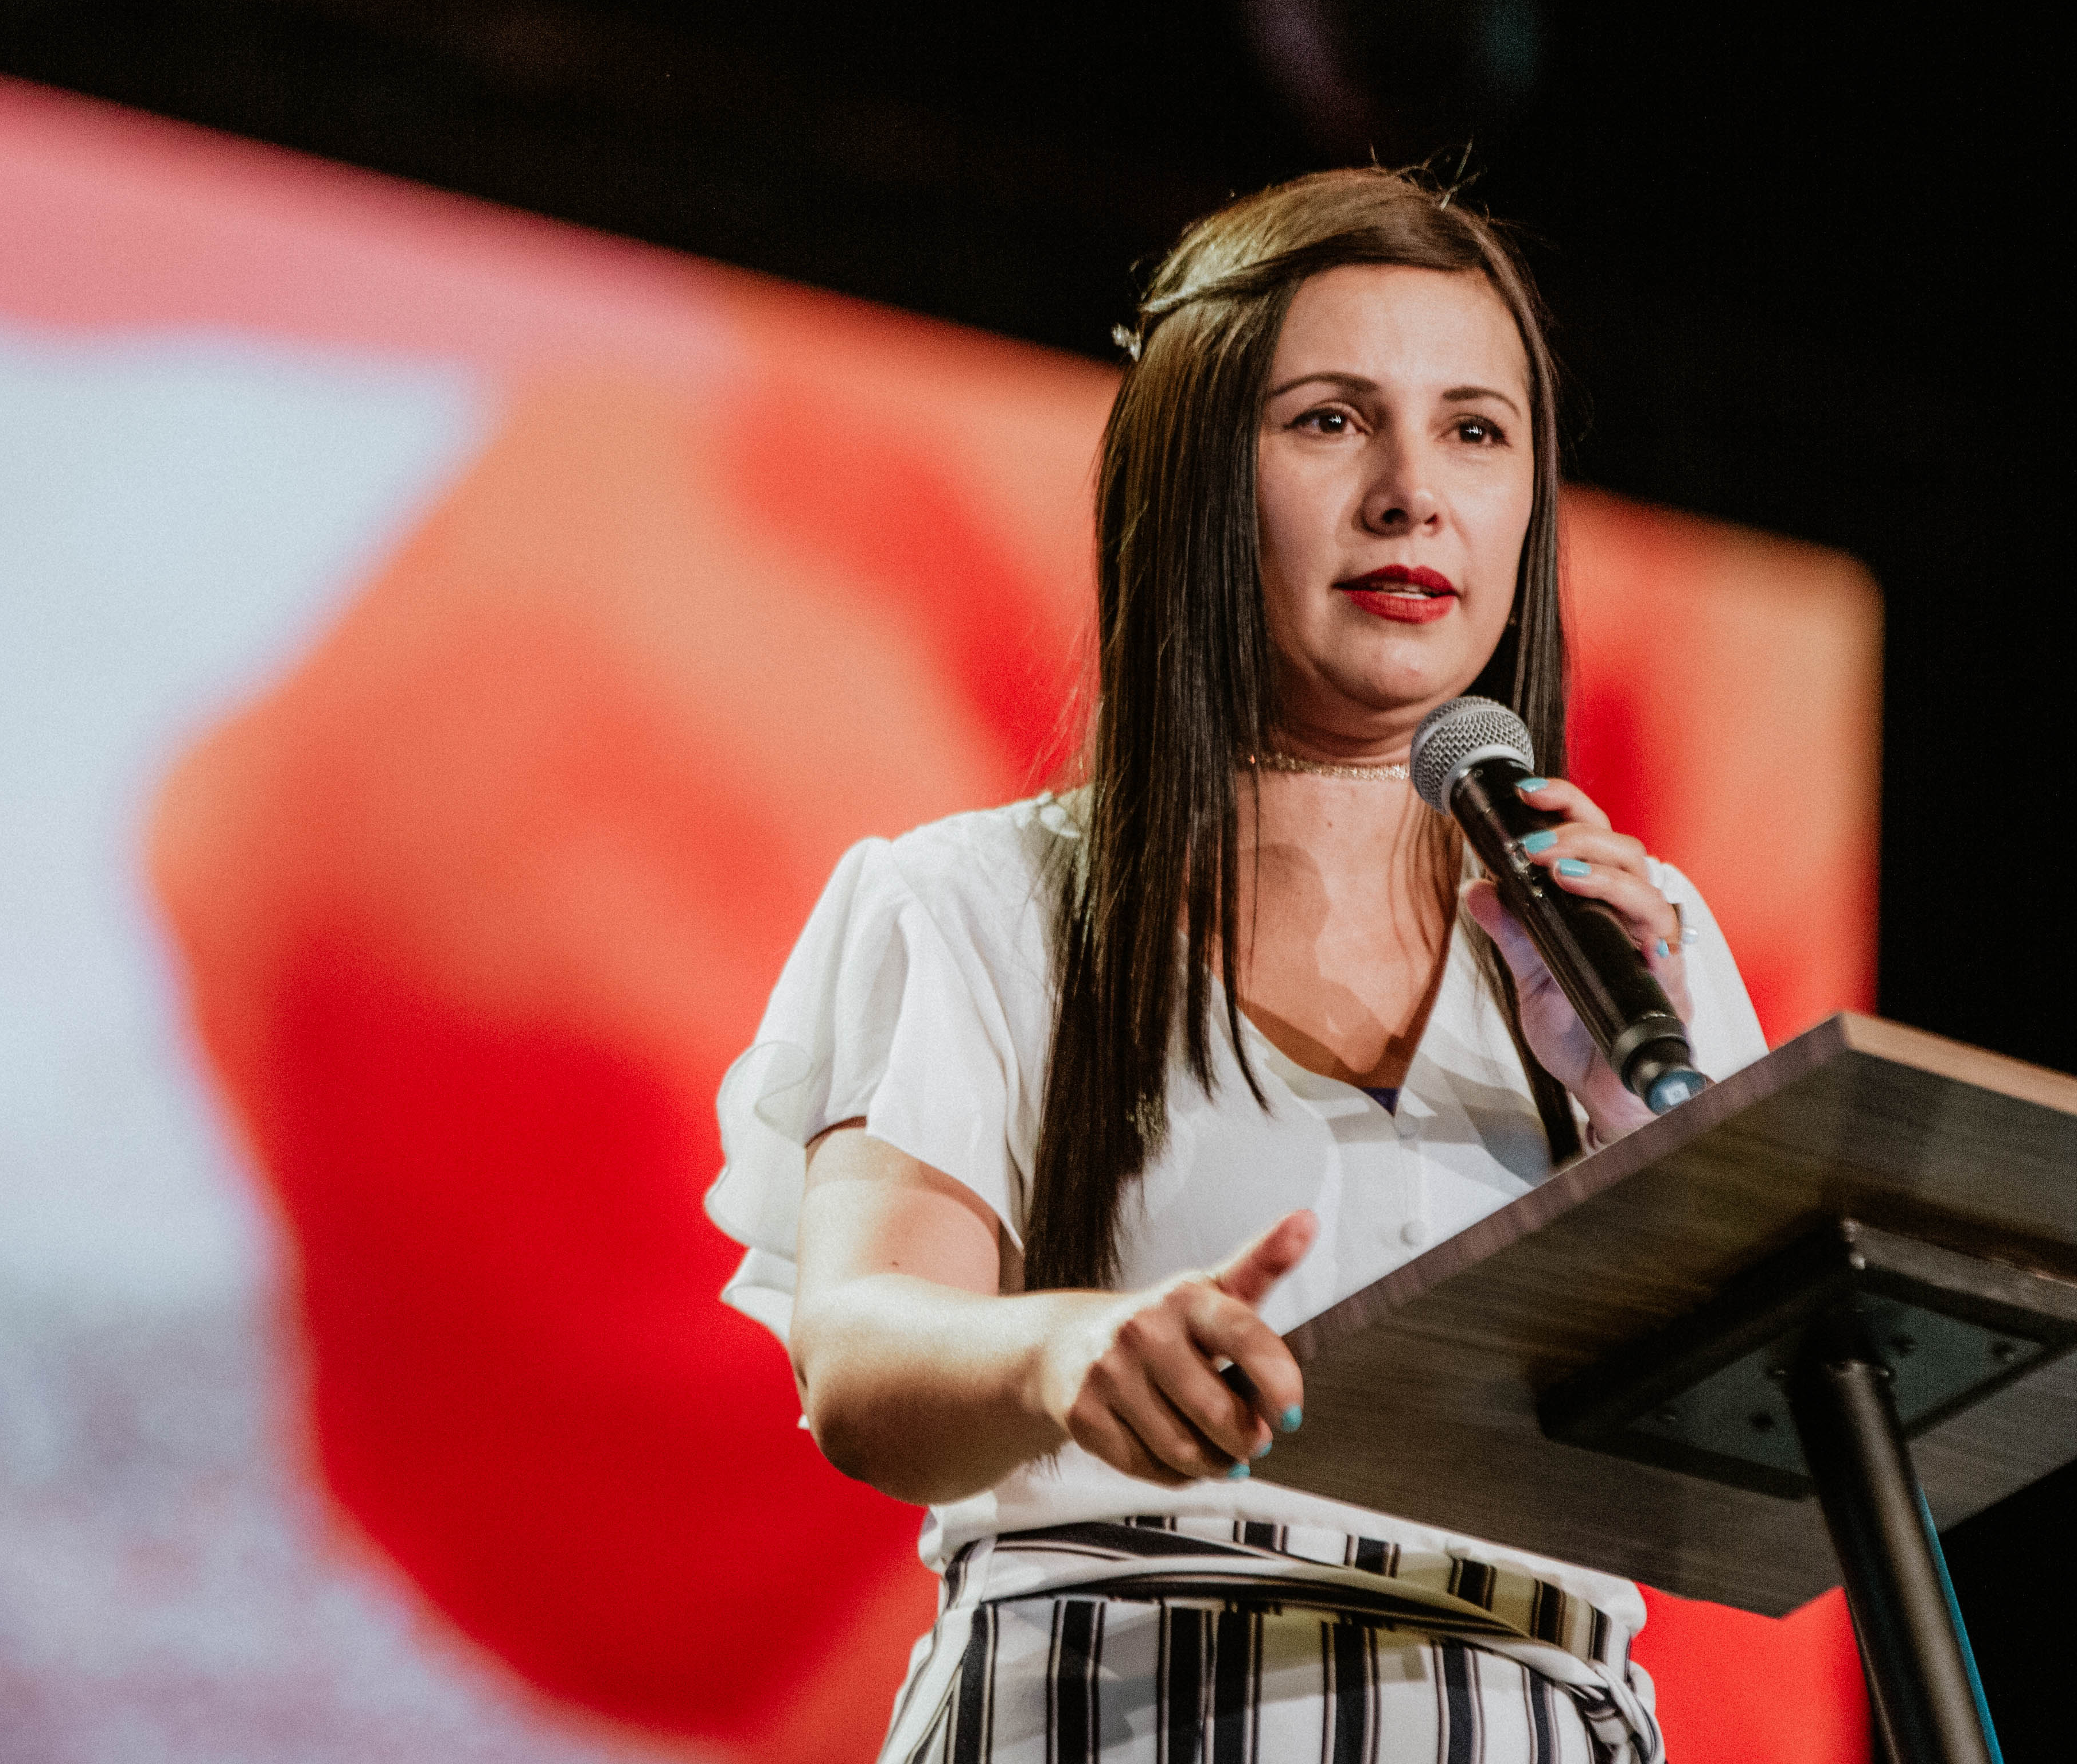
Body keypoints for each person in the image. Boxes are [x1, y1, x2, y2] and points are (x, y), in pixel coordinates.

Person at [706, 168, 1770, 1763]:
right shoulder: (979, 899)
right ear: (1201, 476)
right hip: (1113, 1704)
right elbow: (860, 1353)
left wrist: (1639, 1110)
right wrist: (1065, 1349)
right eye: (1333, 421)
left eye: (1478, 430)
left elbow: (1762, 1437)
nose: (1416, 493)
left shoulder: (1631, 936)